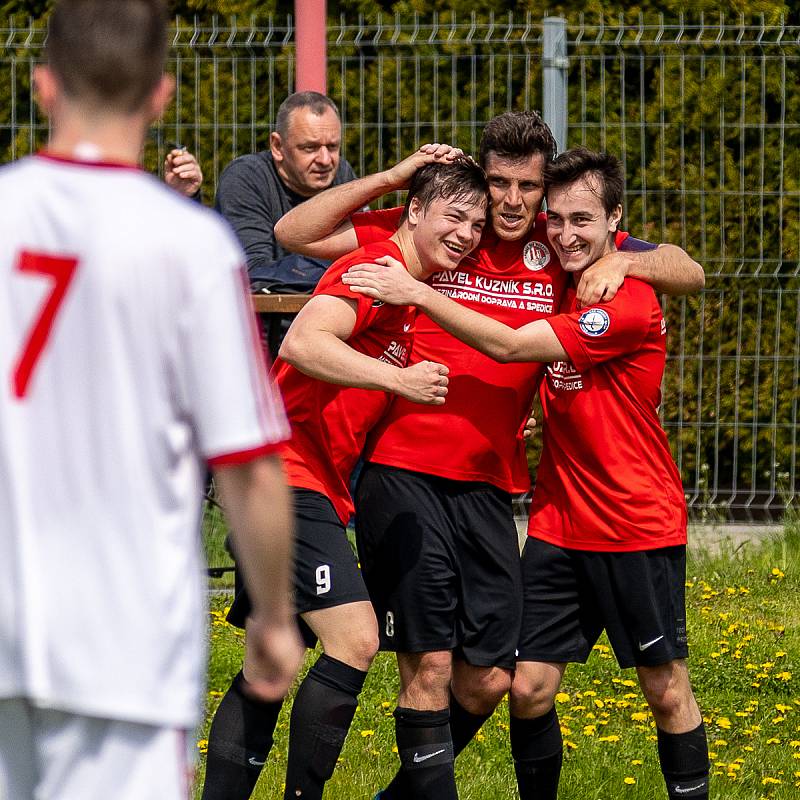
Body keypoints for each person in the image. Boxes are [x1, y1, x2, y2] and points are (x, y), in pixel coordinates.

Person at [276, 113, 705, 800]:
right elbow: (293, 234)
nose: (510, 200)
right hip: (405, 474)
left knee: (493, 679)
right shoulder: (450, 231)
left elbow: (686, 267)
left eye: (526, 186)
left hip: (494, 490)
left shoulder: (558, 240)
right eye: (499, 182)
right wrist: (391, 178)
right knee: (432, 668)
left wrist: (625, 257)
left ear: (544, 188)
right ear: (481, 180)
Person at [0, 2, 303, 799]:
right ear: (161, 94)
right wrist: (273, 618)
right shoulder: (189, 244)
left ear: (42, 86)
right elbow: (247, 464)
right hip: (121, 640)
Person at [200, 156, 489, 800]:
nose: (468, 234)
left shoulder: (412, 293)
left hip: (302, 482)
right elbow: (302, 343)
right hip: (285, 476)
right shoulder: (376, 269)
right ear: (416, 212)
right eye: (454, 216)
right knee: (355, 638)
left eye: (477, 222)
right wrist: (400, 379)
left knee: (271, 657)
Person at [216, 90, 359, 357]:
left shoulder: (343, 175)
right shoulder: (247, 179)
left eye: (333, 147)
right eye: (310, 148)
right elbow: (256, 274)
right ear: (277, 147)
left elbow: (364, 258)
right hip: (257, 341)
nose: (326, 160)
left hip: (324, 332)